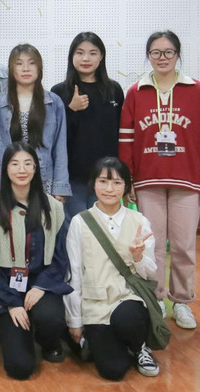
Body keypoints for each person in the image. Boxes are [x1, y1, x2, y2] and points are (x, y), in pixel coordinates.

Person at [119, 30, 200, 330]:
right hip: (147, 179)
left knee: (184, 245)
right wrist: (128, 178)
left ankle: (182, 301)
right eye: (156, 52)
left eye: (168, 52)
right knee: (151, 245)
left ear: (177, 55)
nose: (162, 58)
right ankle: (157, 299)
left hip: (187, 179)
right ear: (148, 56)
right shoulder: (136, 91)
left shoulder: (196, 89)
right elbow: (126, 138)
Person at [0, 142, 72, 380]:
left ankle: (48, 339)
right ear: (5, 169)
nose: (21, 170)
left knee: (50, 318)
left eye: (27, 164)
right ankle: (17, 330)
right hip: (8, 288)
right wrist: (12, 302)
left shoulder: (53, 207)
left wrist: (41, 287)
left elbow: (61, 256)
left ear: (35, 168)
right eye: (14, 164)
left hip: (43, 284)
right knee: (19, 368)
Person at [65, 157, 160, 380]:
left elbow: (149, 272)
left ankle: (139, 347)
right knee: (113, 371)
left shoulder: (139, 221)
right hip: (95, 304)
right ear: (93, 184)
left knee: (127, 317)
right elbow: (73, 274)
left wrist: (138, 258)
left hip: (129, 298)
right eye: (103, 181)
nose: (109, 189)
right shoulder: (80, 222)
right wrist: (75, 321)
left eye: (117, 183)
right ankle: (114, 343)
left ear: (126, 186)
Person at [51, 32, 125, 218]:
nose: (86, 58)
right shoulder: (59, 91)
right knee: (77, 226)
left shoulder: (114, 90)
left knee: (103, 227)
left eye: (93, 53)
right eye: (80, 52)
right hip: (73, 177)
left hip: (107, 176)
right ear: (71, 56)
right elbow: (55, 137)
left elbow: (120, 133)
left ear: (101, 56)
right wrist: (71, 110)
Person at [0, 44, 70, 200]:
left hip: (43, 179)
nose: (26, 69)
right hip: (7, 181)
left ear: (39, 67)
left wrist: (60, 187)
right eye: (19, 63)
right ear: (11, 69)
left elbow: (60, 147)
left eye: (31, 63)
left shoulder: (53, 102)